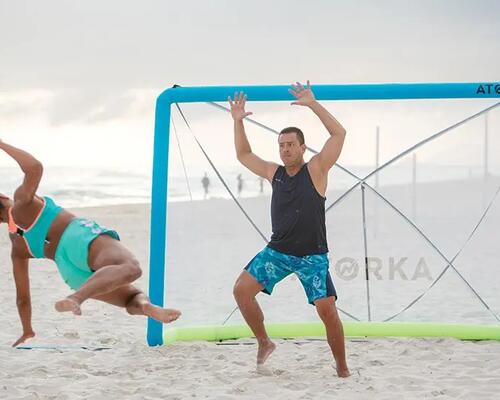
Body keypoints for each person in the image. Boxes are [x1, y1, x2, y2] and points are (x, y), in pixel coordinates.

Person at [0, 139, 181, 347]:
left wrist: (27, 329)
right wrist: (2, 144)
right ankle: (77, 298)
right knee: (131, 268)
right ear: (2, 196)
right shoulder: (22, 202)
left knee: (132, 298)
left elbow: (22, 297)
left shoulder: (17, 245)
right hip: (76, 238)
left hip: (70, 272)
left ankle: (145, 307)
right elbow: (34, 167)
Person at [229, 81, 350, 377]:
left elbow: (339, 134)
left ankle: (343, 368)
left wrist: (312, 103)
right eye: (281, 146)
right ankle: (264, 342)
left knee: (327, 311)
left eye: (290, 145)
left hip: (312, 256)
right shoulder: (275, 173)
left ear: (302, 147)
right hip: (278, 252)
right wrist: (237, 122)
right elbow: (244, 155)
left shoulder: (317, 169)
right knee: (241, 291)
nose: (285, 150)